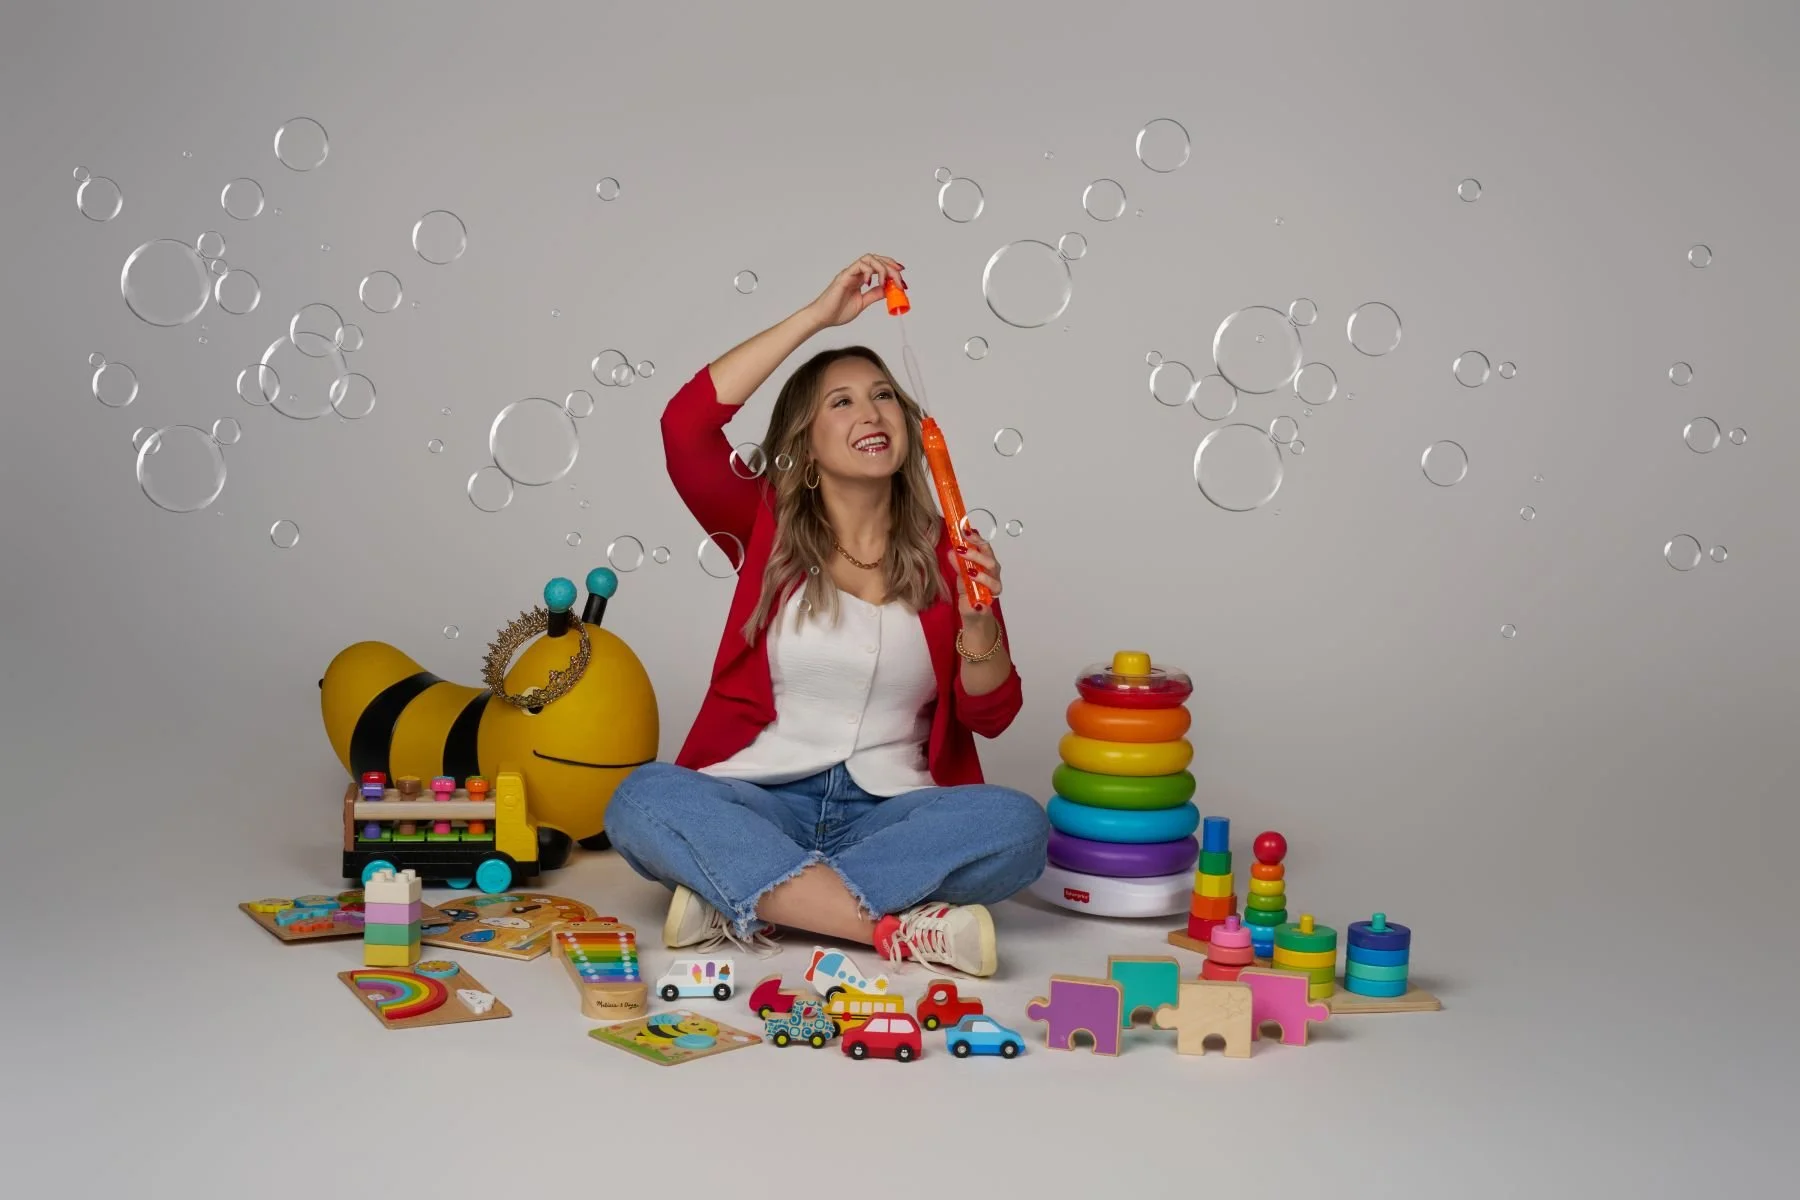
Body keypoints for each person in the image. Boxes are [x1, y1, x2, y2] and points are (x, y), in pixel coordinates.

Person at [606, 253, 1050, 977]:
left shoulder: (950, 551)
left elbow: (992, 713)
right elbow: (684, 426)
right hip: (758, 799)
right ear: (804, 444)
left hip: (891, 812)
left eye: (881, 396)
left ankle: (742, 895)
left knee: (1017, 826)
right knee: (642, 799)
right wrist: (819, 316)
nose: (871, 412)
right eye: (840, 402)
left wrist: (980, 628)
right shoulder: (762, 524)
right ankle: (891, 925)